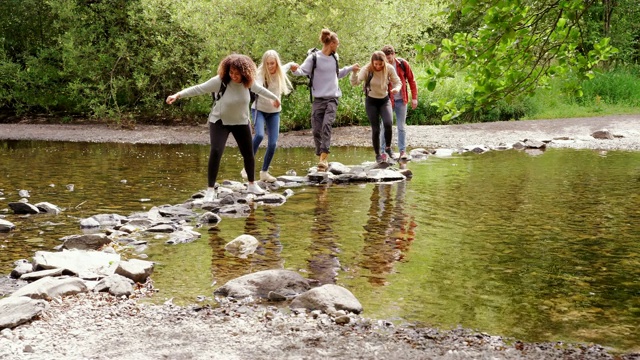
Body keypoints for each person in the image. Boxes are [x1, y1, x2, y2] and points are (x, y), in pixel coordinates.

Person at [166, 54, 281, 202]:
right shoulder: (220, 81)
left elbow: (261, 91)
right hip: (219, 122)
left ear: (245, 73)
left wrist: (275, 98)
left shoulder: (249, 83)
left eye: (237, 74)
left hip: (241, 122)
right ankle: (210, 190)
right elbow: (199, 88)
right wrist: (178, 95)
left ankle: (251, 185)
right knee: (216, 151)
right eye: (231, 72)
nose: (233, 76)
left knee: (248, 153)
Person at [292, 28, 360, 172]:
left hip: (332, 98)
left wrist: (350, 68)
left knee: (326, 126)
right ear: (332, 44)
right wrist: (293, 69)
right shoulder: (313, 58)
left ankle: (324, 158)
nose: (338, 46)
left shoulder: (335, 58)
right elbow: (301, 71)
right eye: (338, 43)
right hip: (318, 99)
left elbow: (337, 74)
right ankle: (321, 157)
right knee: (316, 130)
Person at [239, 50, 295, 183]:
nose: (270, 66)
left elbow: (286, 67)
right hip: (259, 109)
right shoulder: (260, 74)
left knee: (273, 143)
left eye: (272, 63)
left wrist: (293, 64)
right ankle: (246, 167)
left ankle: (264, 172)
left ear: (276, 63)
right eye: (267, 63)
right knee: (259, 135)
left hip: (274, 112)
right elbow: (257, 88)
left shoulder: (280, 71)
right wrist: (271, 99)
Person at [350, 51, 401, 163]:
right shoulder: (367, 69)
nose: (378, 66)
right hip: (371, 101)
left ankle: (388, 148)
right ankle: (378, 154)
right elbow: (355, 82)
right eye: (375, 64)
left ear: (384, 62)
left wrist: (397, 88)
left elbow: (398, 82)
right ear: (372, 62)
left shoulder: (389, 69)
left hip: (384, 100)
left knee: (388, 123)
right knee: (376, 129)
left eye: (380, 64)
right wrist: (354, 73)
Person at [380, 45, 418, 160]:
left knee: (401, 127)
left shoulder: (403, 64)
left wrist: (414, 97)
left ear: (394, 55)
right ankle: (383, 152)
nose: (389, 61)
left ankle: (402, 151)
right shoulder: (380, 66)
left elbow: (411, 80)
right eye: (387, 59)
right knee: (384, 126)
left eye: (390, 59)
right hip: (387, 101)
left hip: (402, 100)